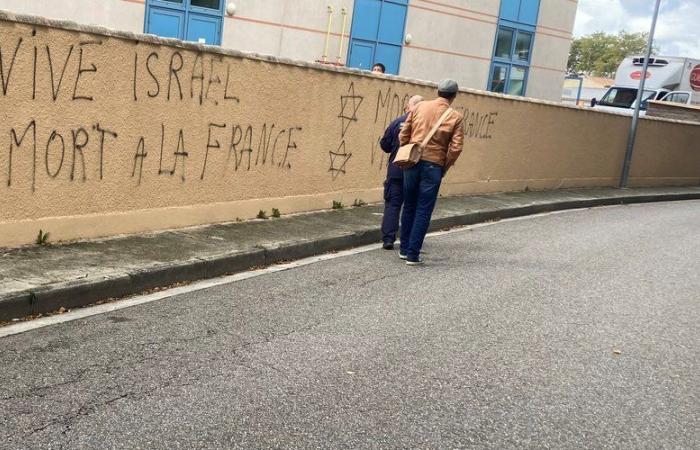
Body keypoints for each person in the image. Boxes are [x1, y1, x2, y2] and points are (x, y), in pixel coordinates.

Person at [398, 79, 464, 265]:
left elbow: (404, 132)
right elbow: (456, 147)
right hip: (434, 165)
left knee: (409, 205)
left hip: (412, 161)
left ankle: (403, 249)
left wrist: (407, 149)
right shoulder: (455, 117)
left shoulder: (419, 107)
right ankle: (413, 254)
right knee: (423, 210)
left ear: (438, 91)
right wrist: (444, 166)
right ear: (454, 95)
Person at [379, 95, 424, 250]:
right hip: (417, 170)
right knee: (413, 206)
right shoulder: (426, 124)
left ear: (408, 107)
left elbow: (384, 144)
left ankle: (388, 239)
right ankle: (409, 239)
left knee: (393, 204)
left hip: (397, 169)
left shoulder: (397, 122)